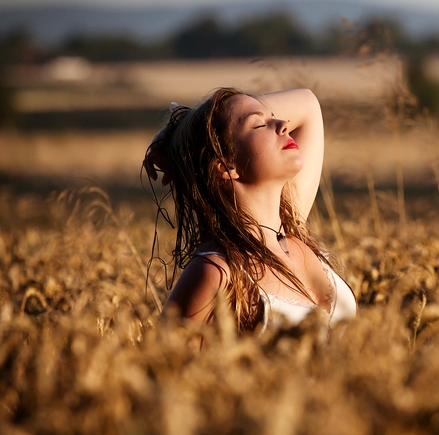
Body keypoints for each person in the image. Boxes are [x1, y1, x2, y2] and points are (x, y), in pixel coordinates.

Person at [143, 87, 356, 332]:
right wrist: (190, 137)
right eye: (259, 125)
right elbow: (162, 363)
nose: (283, 124)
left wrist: (178, 133)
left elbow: (307, 103)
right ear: (225, 165)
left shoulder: (293, 229)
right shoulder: (218, 272)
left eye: (272, 116)